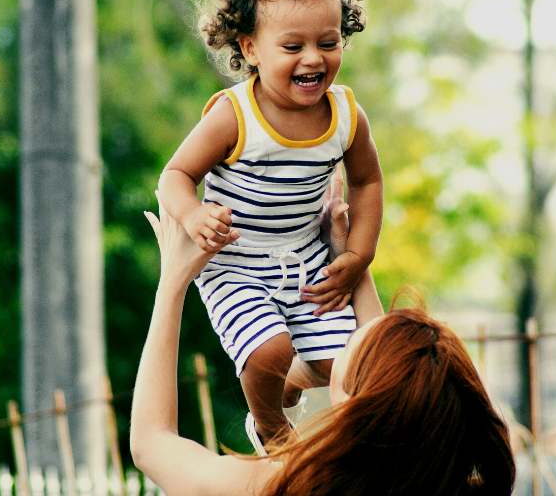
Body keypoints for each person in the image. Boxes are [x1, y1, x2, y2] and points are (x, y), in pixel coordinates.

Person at [157, 0, 383, 452]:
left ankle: (292, 382)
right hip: (235, 262)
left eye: (328, 42)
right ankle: (272, 433)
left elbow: (369, 184)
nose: (313, 59)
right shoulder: (234, 116)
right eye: (292, 46)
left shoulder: (346, 115)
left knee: (343, 366)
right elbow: (174, 175)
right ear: (250, 48)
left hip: (305, 257)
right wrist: (193, 214)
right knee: (268, 352)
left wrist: (357, 256)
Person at [132, 199, 516, 496]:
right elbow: (386, 375)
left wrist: (173, 281)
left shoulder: (281, 487)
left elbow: (151, 444)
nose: (344, 337)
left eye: (346, 352)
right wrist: (346, 256)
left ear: (355, 407)